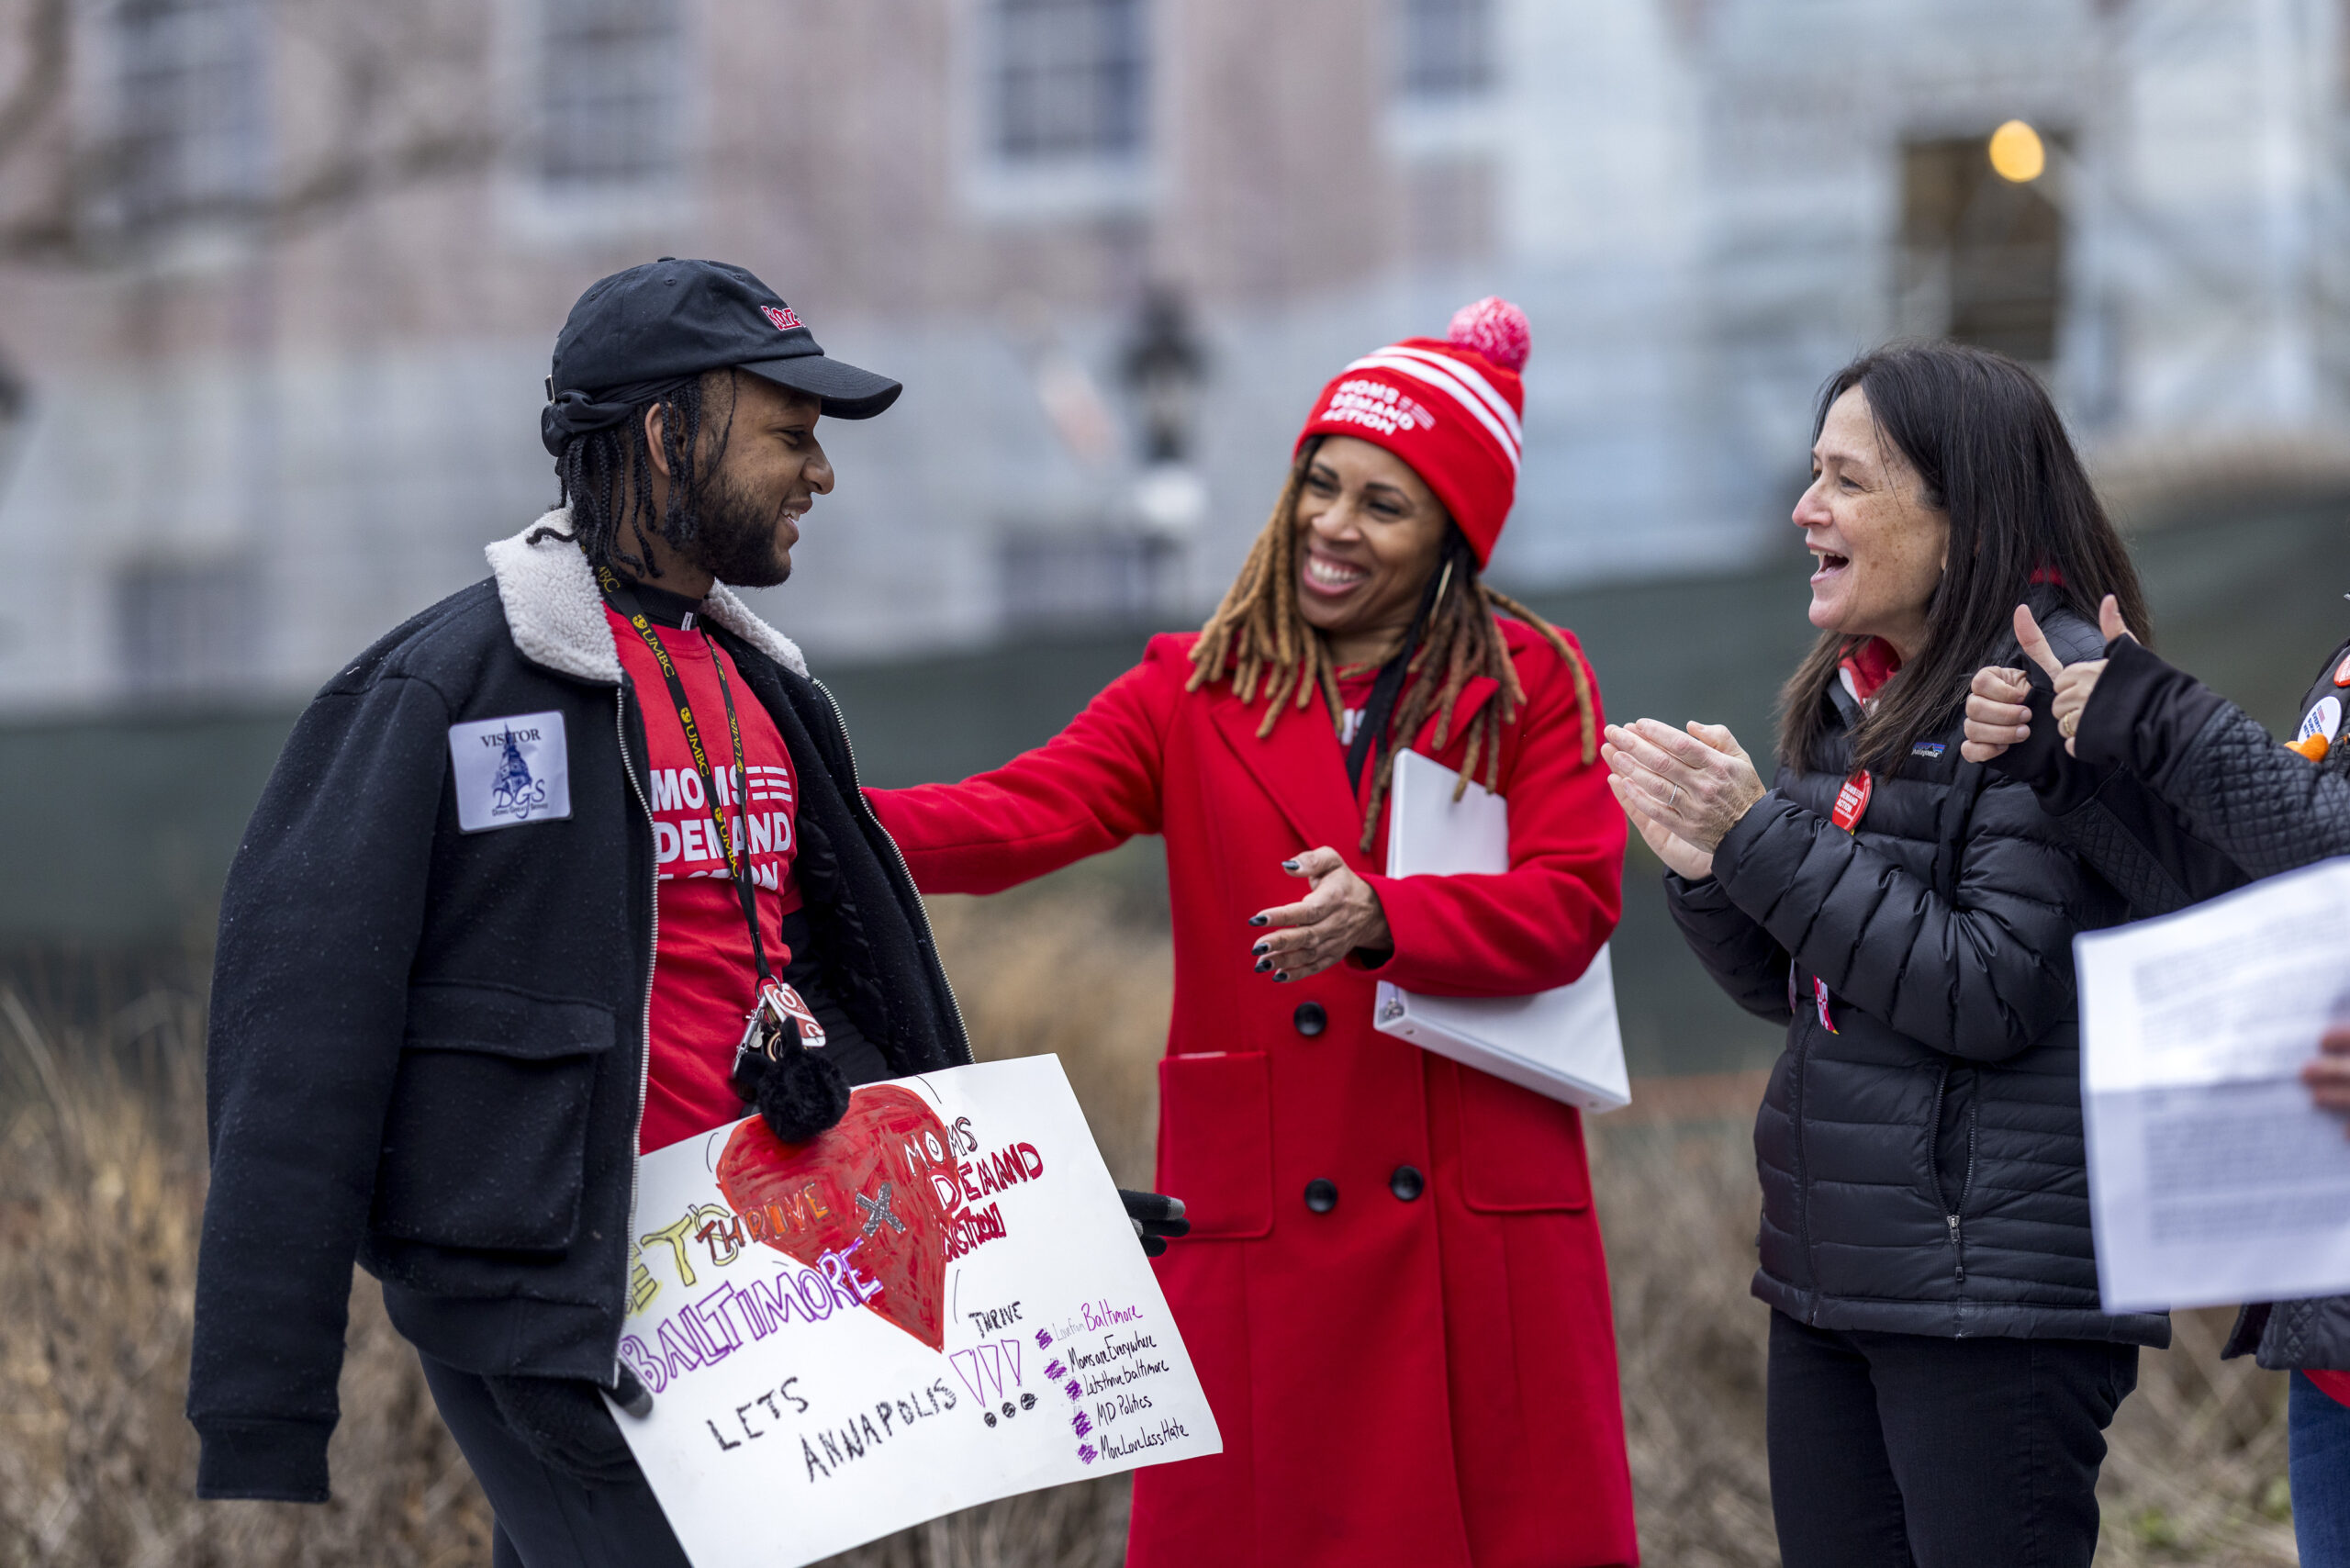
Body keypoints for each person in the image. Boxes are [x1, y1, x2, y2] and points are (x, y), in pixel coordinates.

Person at [185, 259, 1183, 1566]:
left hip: (750, 1300)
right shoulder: (447, 688)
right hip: (551, 1311)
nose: (819, 474)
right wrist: (263, 1397)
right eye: (790, 435)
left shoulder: (765, 689)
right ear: (668, 433)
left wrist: (1029, 1223)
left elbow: (837, 1011)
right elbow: (301, 1035)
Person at [864, 299, 1638, 1567]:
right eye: (1320, 484)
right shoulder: (1190, 688)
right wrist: (794, 818)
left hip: (1470, 1207)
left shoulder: (1528, 680)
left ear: (1455, 532)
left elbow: (1572, 903)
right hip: (1273, 1214)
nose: (1333, 525)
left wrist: (1385, 913)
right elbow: (1012, 815)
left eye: (1385, 505)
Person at [1609, 341, 2165, 1568]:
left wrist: (1756, 838)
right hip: (1835, 1280)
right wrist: (1707, 868)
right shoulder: (1862, 692)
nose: (1807, 509)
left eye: (1848, 480)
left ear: (1965, 513)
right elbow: (1803, 990)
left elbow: (1989, 989)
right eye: (1813, 474)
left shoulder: (2054, 695)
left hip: (1989, 1300)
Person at [1961, 582, 2350, 1565]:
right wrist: (2078, 767)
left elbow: (2333, 853)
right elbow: (2261, 902)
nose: (1807, 509)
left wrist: (2156, 714)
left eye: (1845, 477)